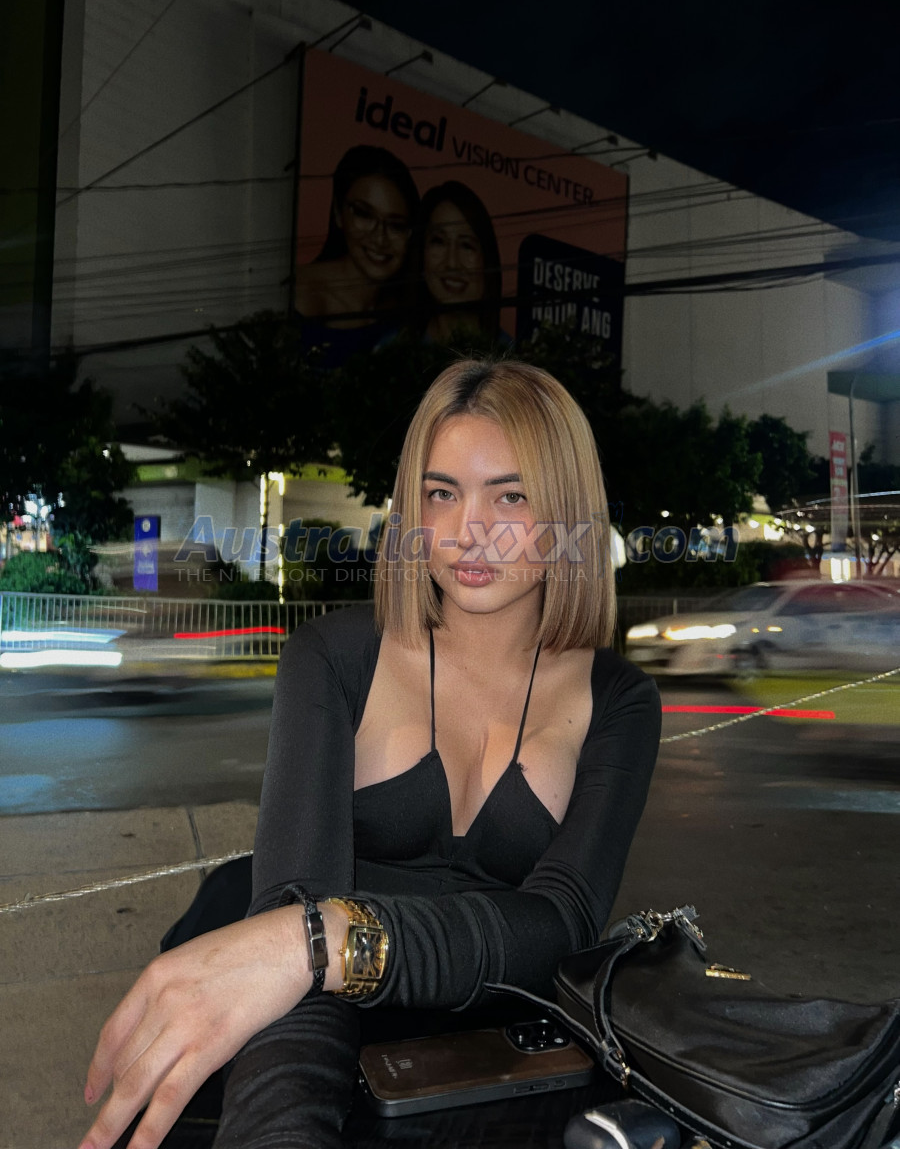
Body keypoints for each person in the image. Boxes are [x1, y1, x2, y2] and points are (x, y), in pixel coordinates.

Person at [80, 359, 661, 1149]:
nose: (467, 531)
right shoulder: (334, 654)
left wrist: (327, 939)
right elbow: (287, 933)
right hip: (291, 1015)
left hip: (484, 1044)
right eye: (442, 493)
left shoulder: (620, 700)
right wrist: (283, 1124)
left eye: (511, 496)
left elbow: (560, 924)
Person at [295, 144, 419, 366]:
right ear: (338, 212)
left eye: (396, 225)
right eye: (364, 214)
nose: (379, 238)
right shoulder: (302, 295)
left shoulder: (405, 312)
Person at [415, 181, 505, 342]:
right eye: (439, 241)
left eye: (466, 245)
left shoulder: (512, 354)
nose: (452, 263)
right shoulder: (390, 347)